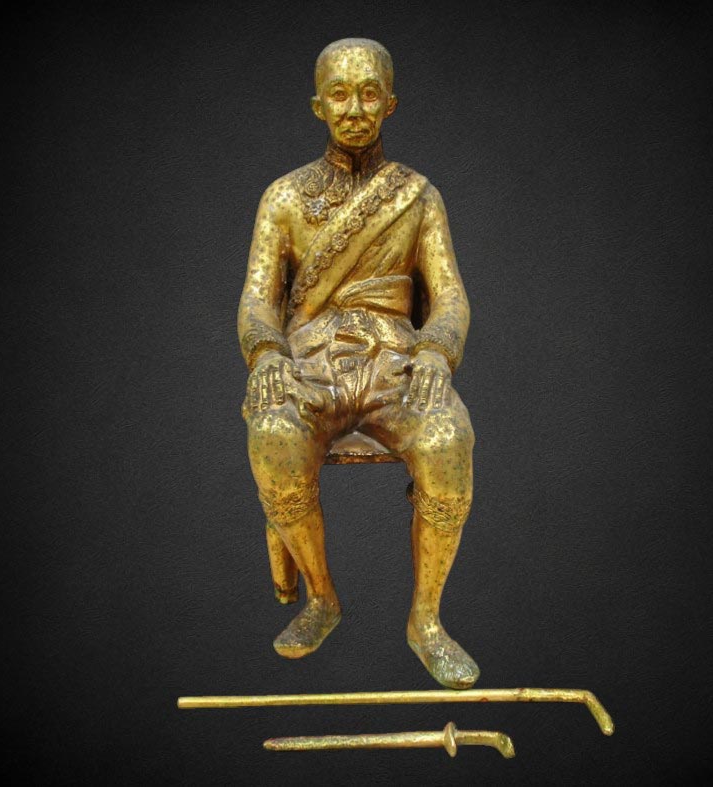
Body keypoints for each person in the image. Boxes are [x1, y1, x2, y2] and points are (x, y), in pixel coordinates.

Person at [237, 38, 478, 689]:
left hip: (396, 364)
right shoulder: (284, 199)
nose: (354, 109)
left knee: (449, 439)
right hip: (310, 366)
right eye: (339, 95)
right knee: (273, 432)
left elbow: (450, 297)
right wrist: (266, 352)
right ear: (318, 105)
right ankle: (321, 599)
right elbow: (257, 301)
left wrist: (436, 349)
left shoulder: (418, 197)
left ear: (390, 103)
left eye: (369, 94)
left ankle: (426, 621)